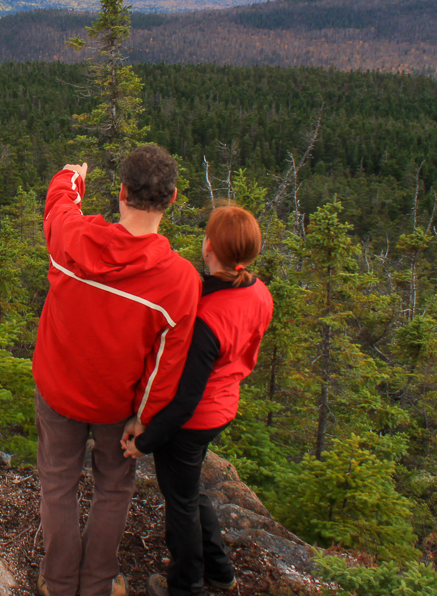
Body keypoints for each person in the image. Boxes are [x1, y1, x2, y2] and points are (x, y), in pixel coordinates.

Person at [34, 145, 202, 596]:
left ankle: (58, 582)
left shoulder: (74, 240)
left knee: (57, 482)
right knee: (113, 488)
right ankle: (98, 583)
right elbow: (164, 366)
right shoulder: (180, 280)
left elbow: (59, 204)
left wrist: (72, 174)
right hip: (117, 406)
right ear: (172, 198)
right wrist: (144, 418)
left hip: (58, 390)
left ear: (122, 192)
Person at [121, 202, 274, 596]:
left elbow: (186, 399)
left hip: (193, 420)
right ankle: (220, 572)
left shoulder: (206, 316)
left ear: (208, 247)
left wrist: (146, 442)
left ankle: (186, 586)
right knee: (189, 489)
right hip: (222, 407)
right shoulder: (259, 293)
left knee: (181, 504)